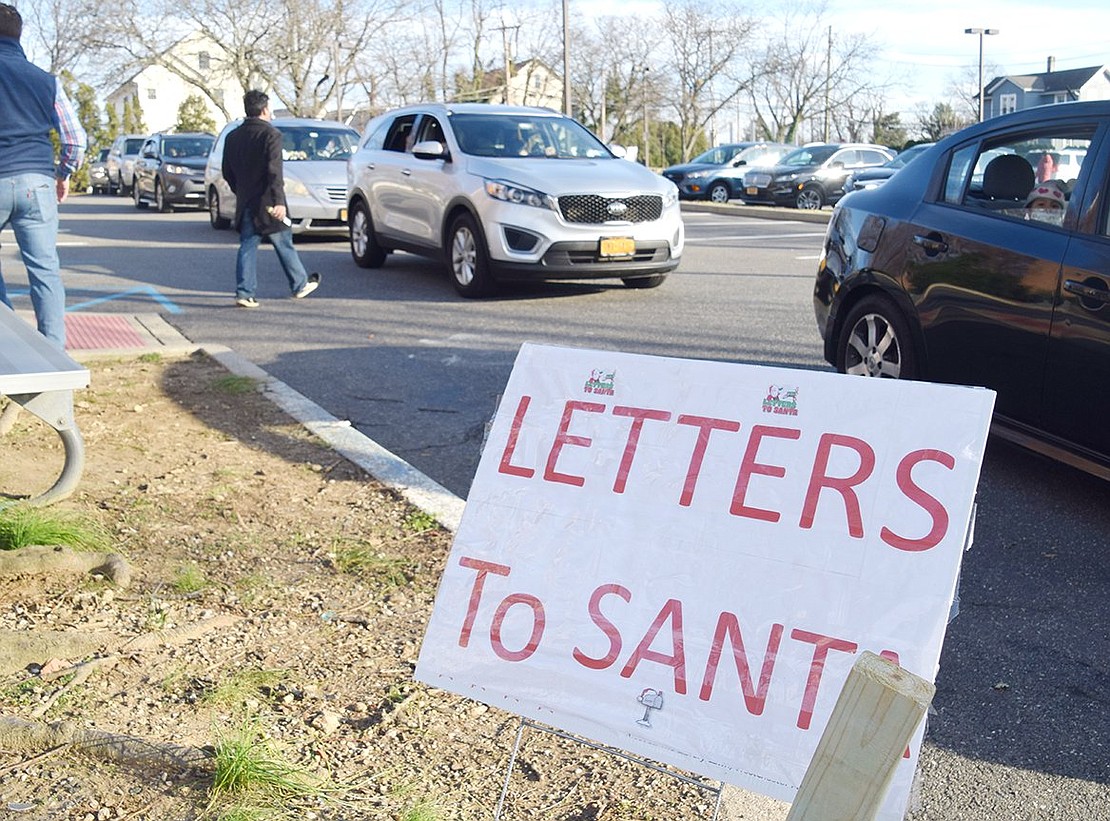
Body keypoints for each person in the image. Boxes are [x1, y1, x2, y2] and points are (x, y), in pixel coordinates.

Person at [0, 2, 86, 348]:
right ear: (19, 35)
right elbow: (75, 140)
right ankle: (53, 355)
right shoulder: (45, 80)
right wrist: (61, 174)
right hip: (37, 179)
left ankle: (6, 343)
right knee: (45, 271)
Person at [222, 89, 319, 308]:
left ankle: (244, 292)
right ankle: (299, 283)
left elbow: (227, 171)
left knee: (247, 245)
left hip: (246, 199)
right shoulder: (271, 135)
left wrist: (241, 190)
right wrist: (278, 202)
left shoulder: (232, 136)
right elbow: (274, 171)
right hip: (268, 200)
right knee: (283, 240)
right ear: (265, 110)